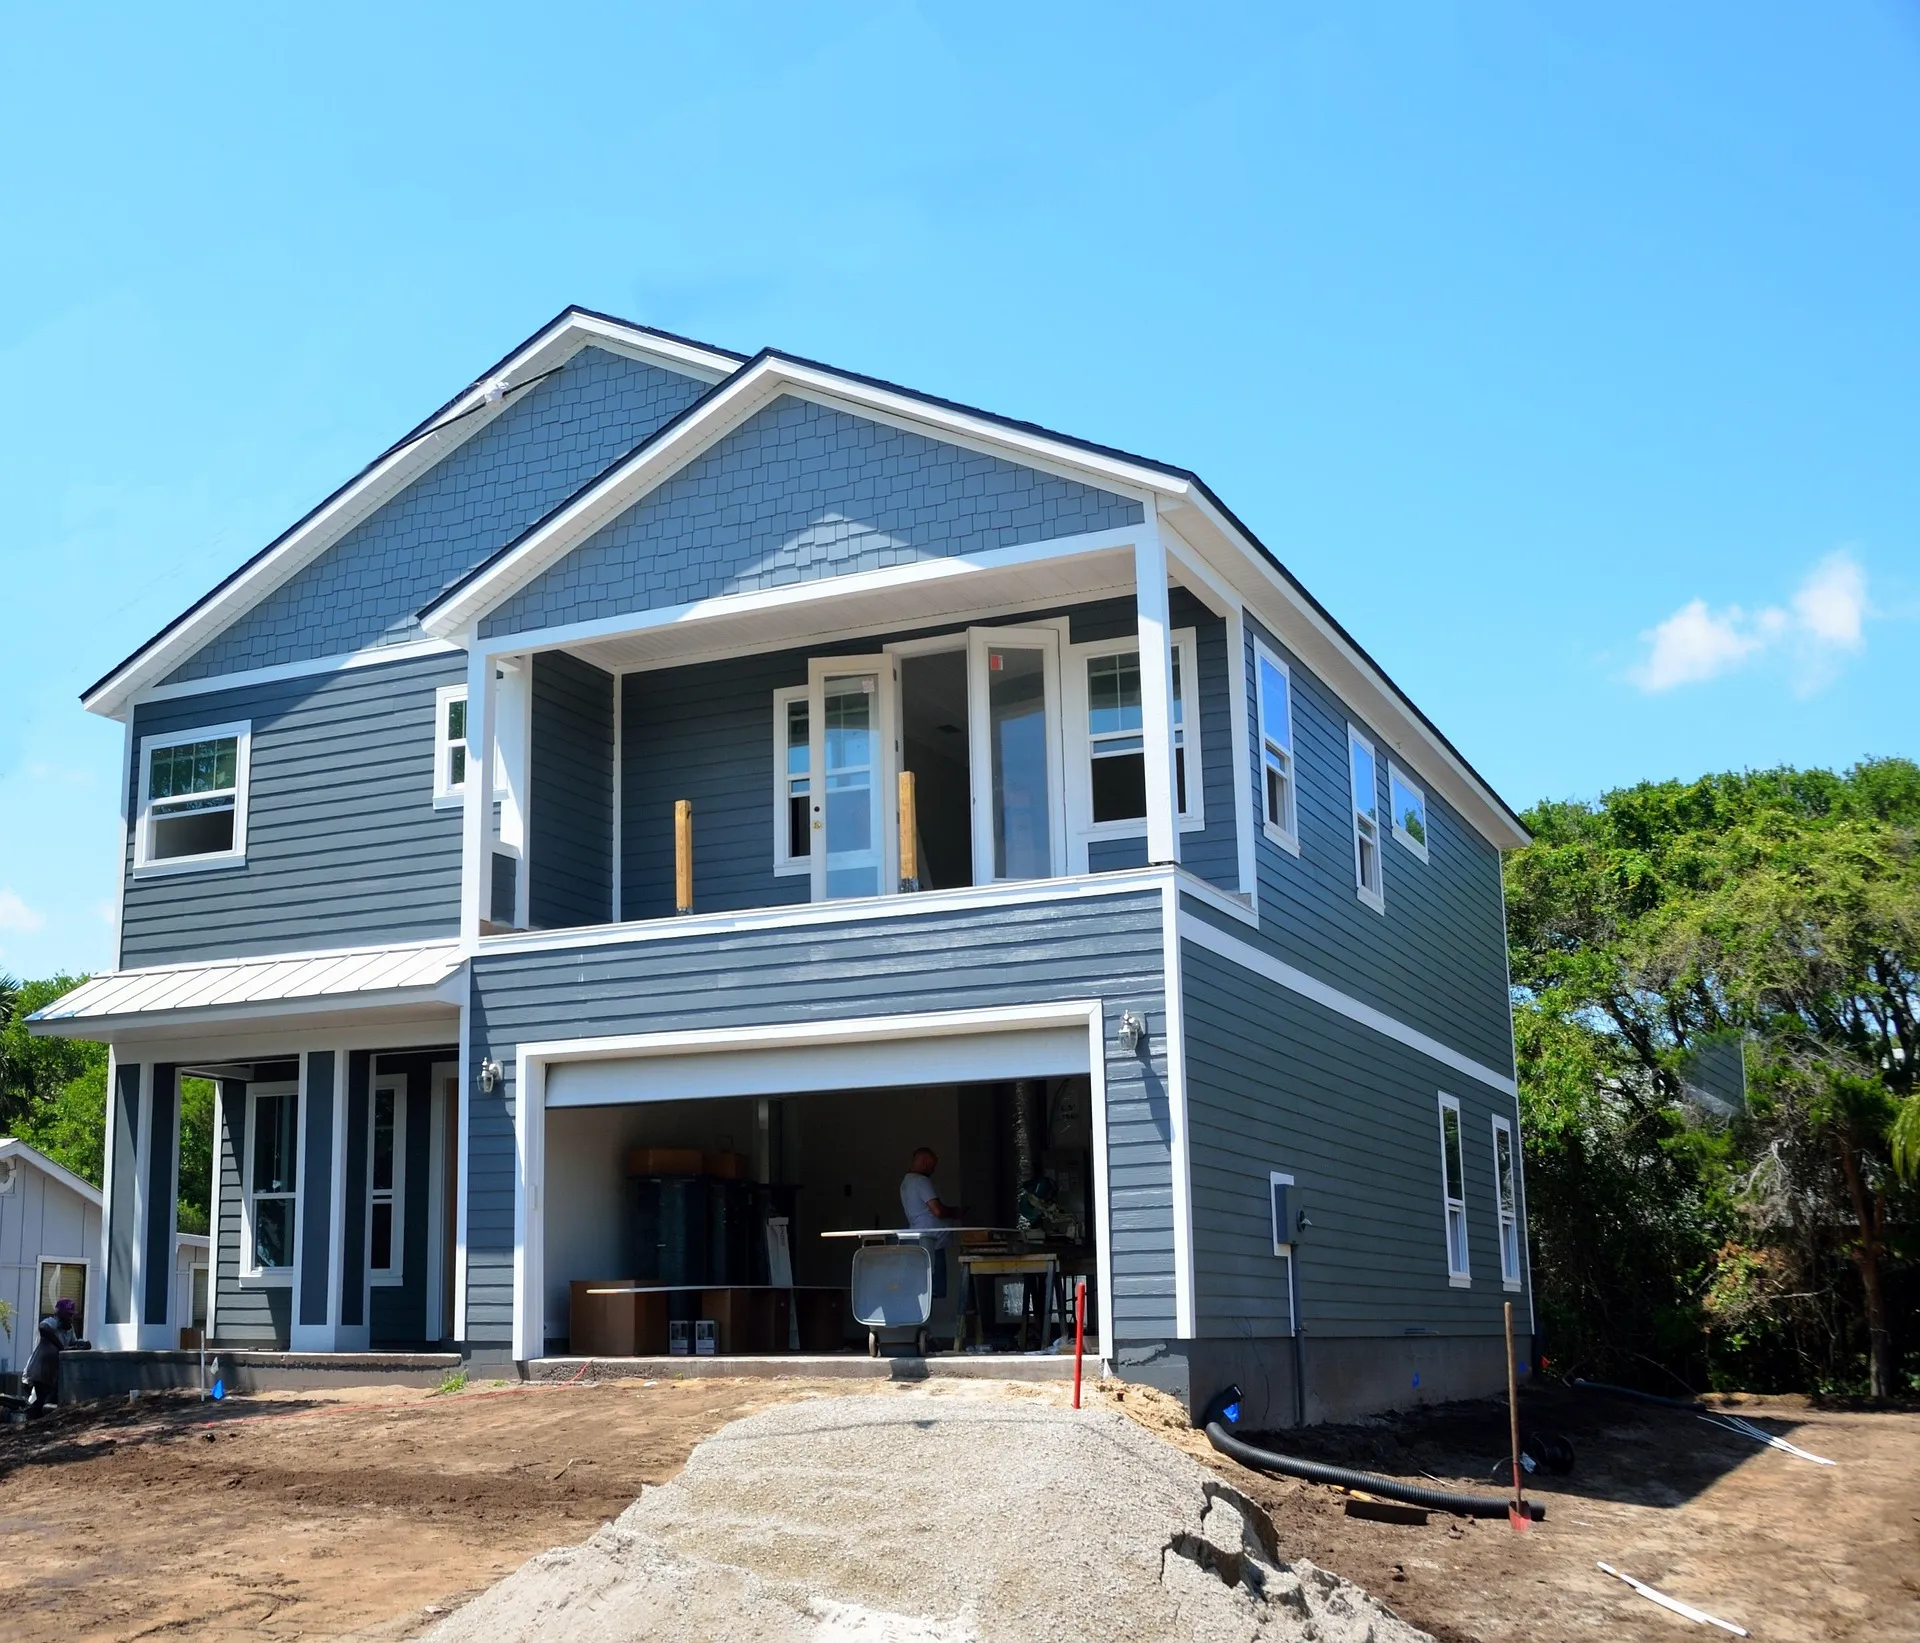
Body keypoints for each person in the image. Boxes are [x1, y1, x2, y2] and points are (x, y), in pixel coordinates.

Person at [900, 1147, 962, 1303]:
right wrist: (955, 1212)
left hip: (921, 1242)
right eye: (932, 1165)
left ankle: (923, 1325)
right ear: (925, 1162)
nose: (933, 1170)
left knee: (923, 1292)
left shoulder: (906, 1183)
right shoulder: (921, 1181)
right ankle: (925, 1326)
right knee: (930, 1292)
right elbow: (937, 1211)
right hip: (932, 1244)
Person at [22, 1295, 81, 1411]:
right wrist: (61, 1347)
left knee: (50, 1403)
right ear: (60, 1315)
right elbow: (43, 1328)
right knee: (39, 1403)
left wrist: (81, 1344)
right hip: (38, 1374)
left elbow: (73, 1344)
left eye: (72, 1315)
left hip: (53, 1375)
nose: (71, 1318)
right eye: (68, 1315)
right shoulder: (52, 1322)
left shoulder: (69, 1330)